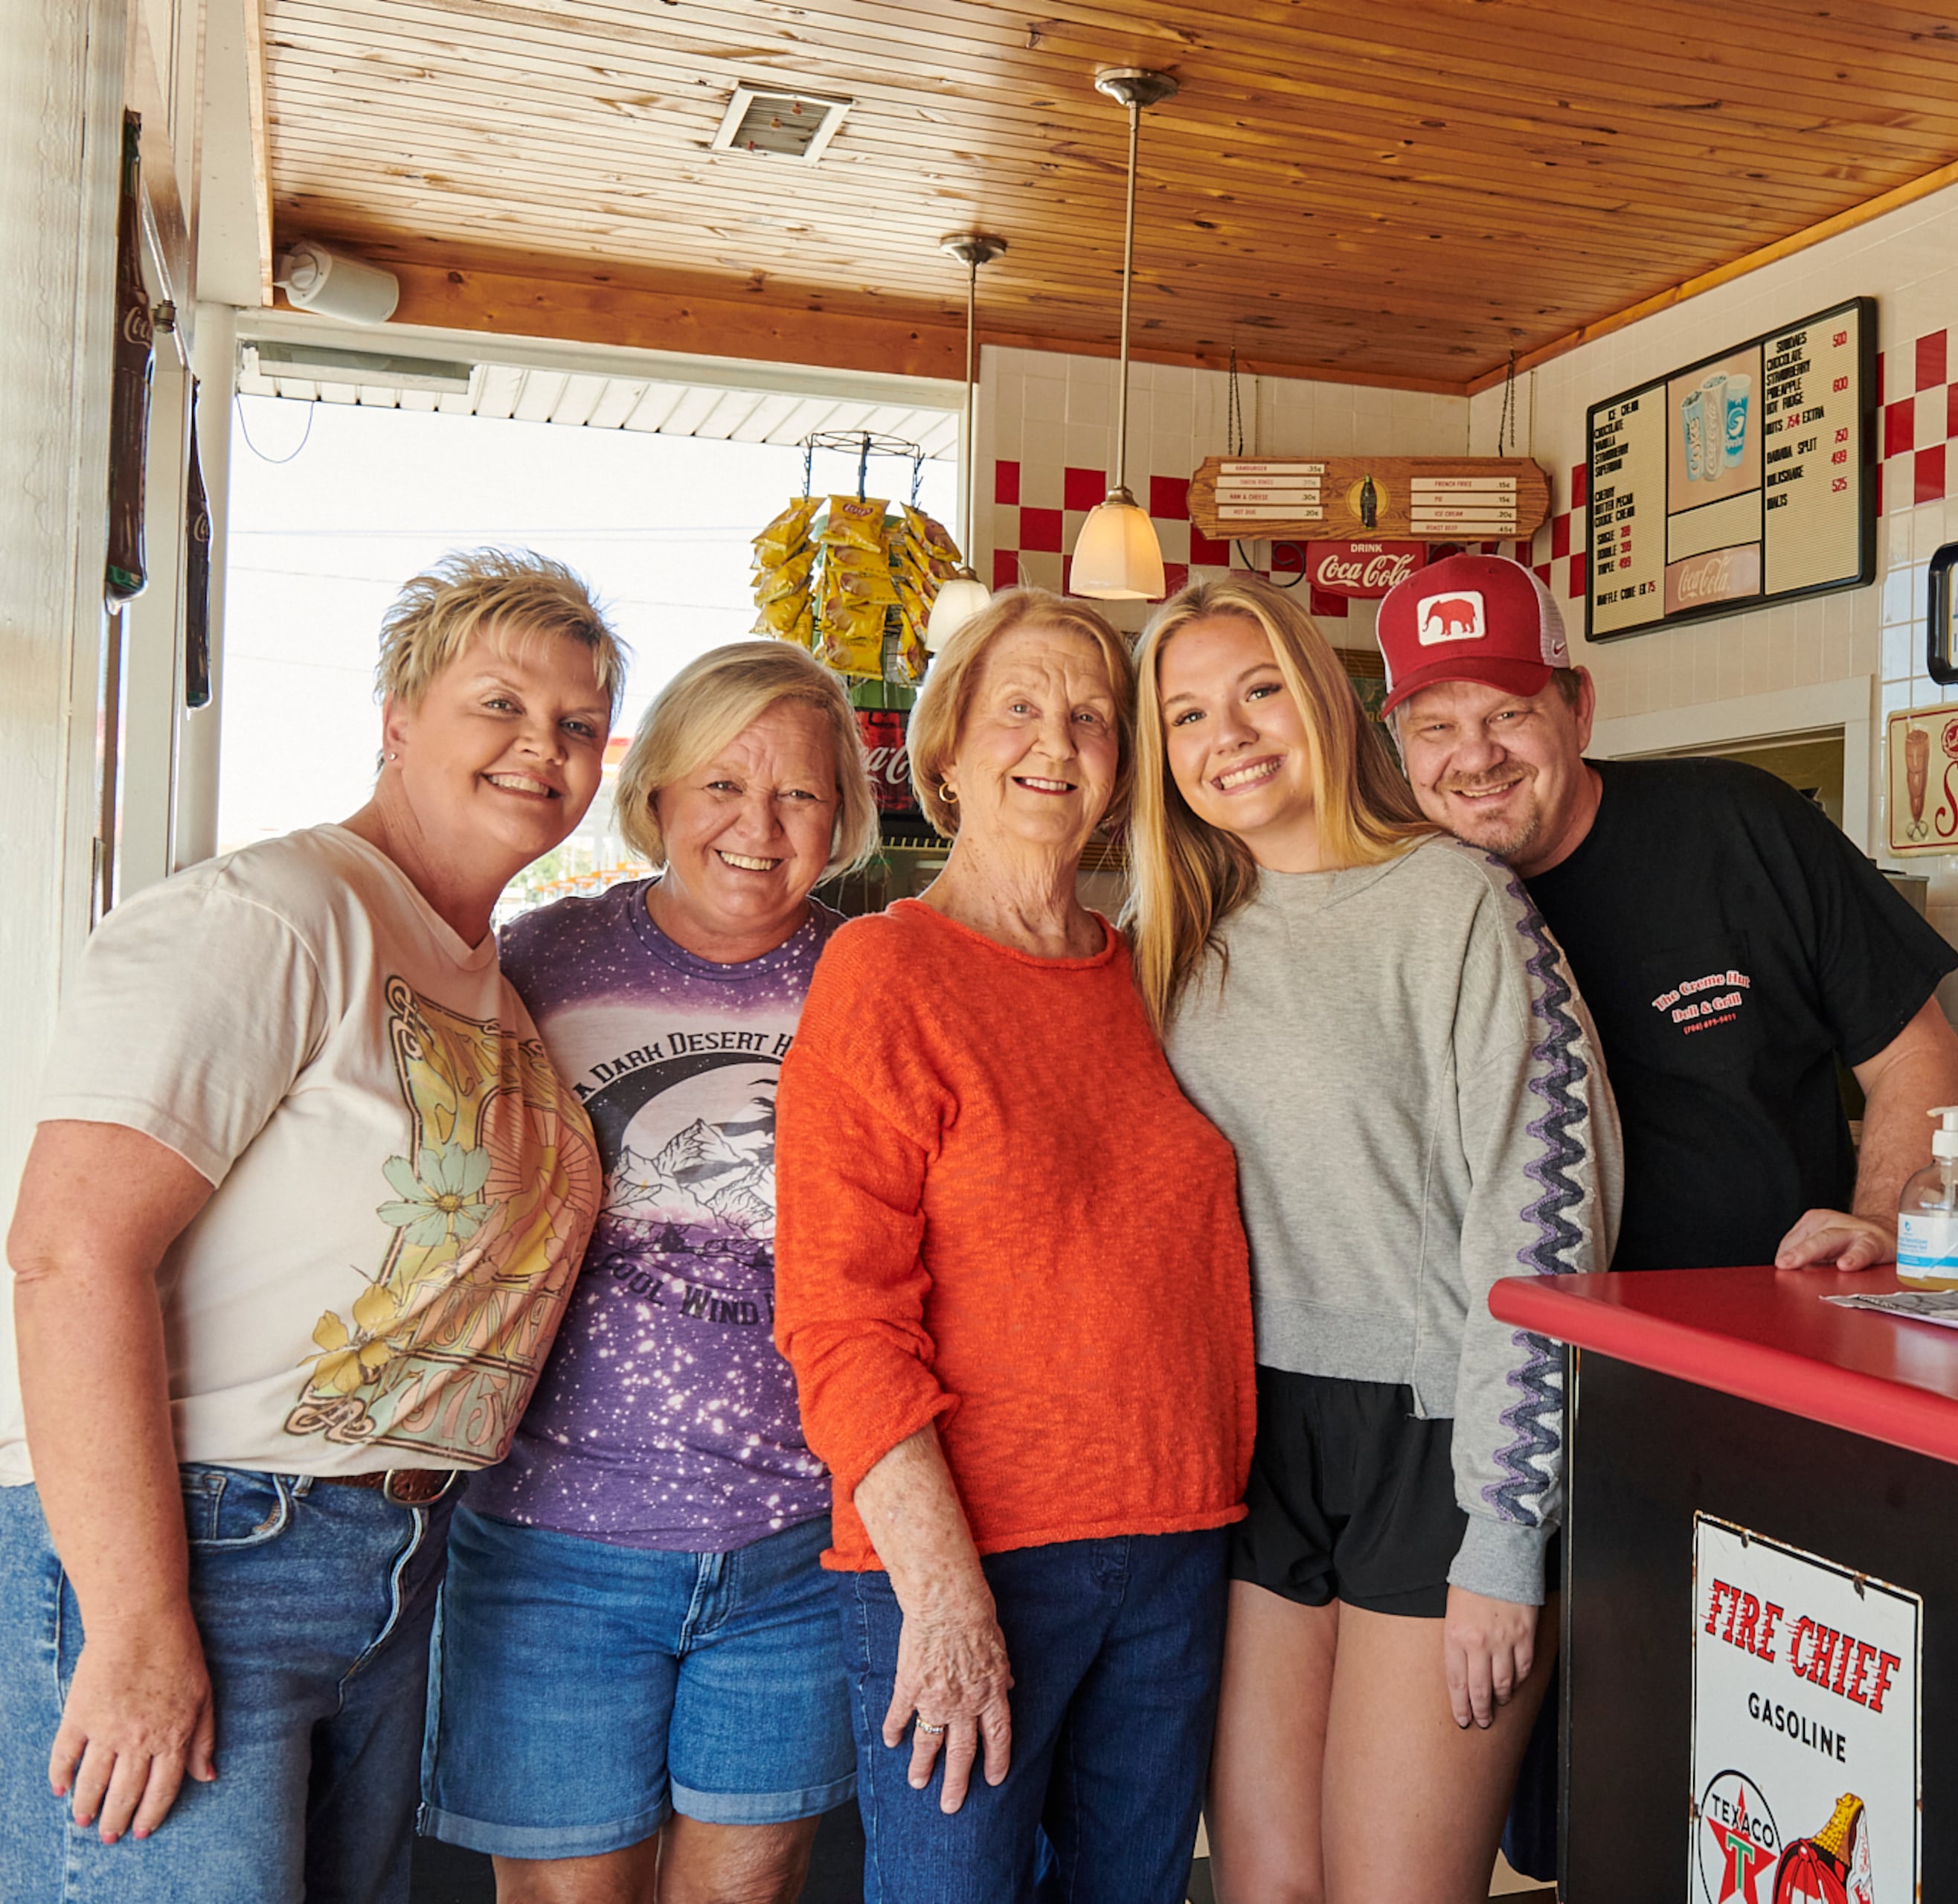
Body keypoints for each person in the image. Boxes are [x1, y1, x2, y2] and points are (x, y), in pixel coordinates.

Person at [0, 549, 622, 1902]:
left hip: (394, 1560)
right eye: (500, 704)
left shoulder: (489, 986)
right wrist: (141, 1619)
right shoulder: (277, 913)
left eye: (579, 723)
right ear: (397, 719)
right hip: (206, 1538)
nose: (544, 746)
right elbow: (65, 1249)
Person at [1129, 574, 1619, 1904]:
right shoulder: (1168, 937)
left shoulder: (1452, 900)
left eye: (1257, 691)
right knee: (1262, 1888)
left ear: (1333, 704)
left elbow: (1540, 1221)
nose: (1225, 733)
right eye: (1184, 714)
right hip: (1245, 1438)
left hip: (1436, 1440)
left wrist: (1508, 1531)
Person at [771, 589, 1254, 1904]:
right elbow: (838, 1314)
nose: (1060, 739)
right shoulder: (886, 971)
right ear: (947, 753)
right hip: (973, 1553)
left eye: (1093, 715)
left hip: (1176, 1541)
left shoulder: (1157, 973)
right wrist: (943, 1587)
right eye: (1021, 708)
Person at [419, 641, 878, 1900]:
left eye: (798, 793)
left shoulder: (876, 977)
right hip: (551, 1541)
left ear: (841, 812)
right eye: (723, 785)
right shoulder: (543, 958)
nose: (758, 824)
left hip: (795, 1540)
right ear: (661, 792)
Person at [1379, 553, 1958, 1277]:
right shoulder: (1403, 906)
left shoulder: (1742, 826)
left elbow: (1914, 1053)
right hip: (1521, 1360)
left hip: (1767, 1342)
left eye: (1509, 713)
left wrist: (1884, 1221)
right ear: (1400, 748)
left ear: (1580, 708)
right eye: (1436, 727)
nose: (1476, 756)